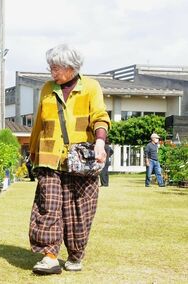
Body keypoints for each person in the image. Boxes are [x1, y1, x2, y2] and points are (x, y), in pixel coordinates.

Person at [28, 44, 111, 275]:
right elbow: (39, 124)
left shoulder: (91, 87)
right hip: (49, 158)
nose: (51, 71)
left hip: (81, 160)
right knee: (48, 207)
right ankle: (50, 256)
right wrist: (32, 153)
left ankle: (75, 254)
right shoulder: (47, 88)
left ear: (71, 67)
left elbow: (100, 116)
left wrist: (100, 142)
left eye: (55, 67)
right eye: (50, 66)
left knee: (80, 211)